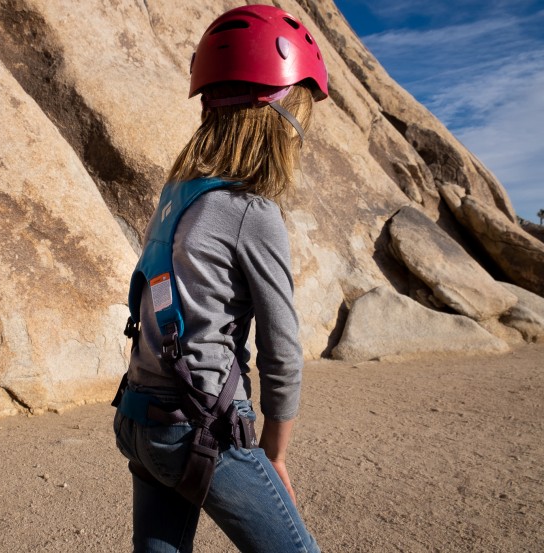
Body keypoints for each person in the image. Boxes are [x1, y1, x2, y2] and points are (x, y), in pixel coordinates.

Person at [113, 5, 327, 552]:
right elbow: (282, 351)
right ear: (281, 114)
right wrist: (273, 455)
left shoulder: (180, 196)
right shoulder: (250, 211)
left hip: (140, 418)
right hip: (199, 428)